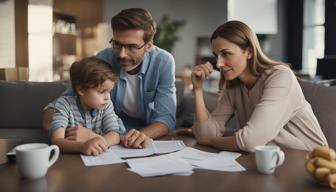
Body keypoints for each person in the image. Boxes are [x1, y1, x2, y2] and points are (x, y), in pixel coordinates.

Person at [43, 8, 176, 149]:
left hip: (139, 132)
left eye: (131, 46)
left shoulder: (163, 62)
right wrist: (57, 124)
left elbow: (166, 119)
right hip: (107, 133)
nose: (122, 54)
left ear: (148, 46)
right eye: (117, 44)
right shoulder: (104, 58)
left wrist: (140, 135)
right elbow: (71, 98)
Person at [191, 20, 328, 152]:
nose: (219, 64)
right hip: (270, 161)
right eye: (217, 56)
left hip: (311, 161)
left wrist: (211, 141)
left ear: (249, 52)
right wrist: (198, 90)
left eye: (226, 54)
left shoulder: (281, 77)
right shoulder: (235, 86)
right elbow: (206, 135)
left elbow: (250, 141)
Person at [50, 57, 126, 156]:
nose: (108, 98)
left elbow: (115, 135)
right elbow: (56, 141)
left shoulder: (106, 105)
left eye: (109, 91)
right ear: (81, 89)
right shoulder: (64, 104)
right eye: (102, 92)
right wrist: (82, 146)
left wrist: (95, 142)